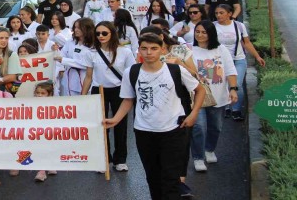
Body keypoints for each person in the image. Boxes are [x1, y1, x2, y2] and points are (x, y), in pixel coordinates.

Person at [104, 34, 205, 200]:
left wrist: (194, 114)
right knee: (153, 177)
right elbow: (128, 100)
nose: (148, 52)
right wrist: (115, 119)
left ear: (162, 50)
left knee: (170, 178)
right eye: (144, 48)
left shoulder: (175, 70)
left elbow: (199, 89)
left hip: (173, 131)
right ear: (139, 50)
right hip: (144, 132)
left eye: (153, 48)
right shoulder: (132, 72)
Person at [81, 22, 136, 171]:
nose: (100, 36)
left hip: (120, 90)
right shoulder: (90, 53)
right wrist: (83, 96)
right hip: (99, 90)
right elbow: (88, 76)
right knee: (101, 126)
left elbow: (131, 73)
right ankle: (104, 159)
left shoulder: (125, 51)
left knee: (120, 125)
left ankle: (120, 159)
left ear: (112, 33)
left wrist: (132, 92)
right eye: (98, 33)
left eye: (104, 33)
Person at [190, 20, 238, 172]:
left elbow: (230, 70)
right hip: (196, 97)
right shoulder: (189, 49)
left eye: (204, 32)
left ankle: (209, 149)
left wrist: (233, 88)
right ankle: (198, 157)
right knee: (199, 127)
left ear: (211, 33)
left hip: (218, 97)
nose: (200, 35)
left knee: (215, 127)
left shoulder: (221, 49)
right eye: (197, 31)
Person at [213, 4, 265, 121]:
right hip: (220, 61)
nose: (218, 15)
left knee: (237, 85)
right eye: (216, 13)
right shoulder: (213, 26)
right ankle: (225, 106)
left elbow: (246, 43)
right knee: (222, 84)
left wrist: (257, 57)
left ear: (230, 14)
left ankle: (236, 109)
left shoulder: (239, 26)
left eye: (221, 13)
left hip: (238, 59)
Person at [55, 18, 95, 96]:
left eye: (79, 28)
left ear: (87, 28)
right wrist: (56, 51)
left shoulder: (94, 45)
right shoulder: (70, 42)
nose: (76, 30)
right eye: (75, 27)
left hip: (85, 78)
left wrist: (65, 60)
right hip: (69, 78)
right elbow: (62, 55)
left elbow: (86, 64)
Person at [32, 81, 59, 182]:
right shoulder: (31, 104)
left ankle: (51, 164)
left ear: (49, 95)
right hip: (37, 131)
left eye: (43, 93)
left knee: (50, 148)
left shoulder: (54, 105)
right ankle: (41, 171)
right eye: (38, 93)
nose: (39, 95)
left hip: (50, 131)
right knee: (40, 148)